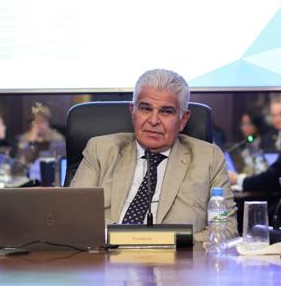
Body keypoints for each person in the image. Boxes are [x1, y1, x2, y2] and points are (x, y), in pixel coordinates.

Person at [72, 68, 230, 230]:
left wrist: (175, 240)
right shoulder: (100, 150)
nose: (154, 121)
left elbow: (226, 230)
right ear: (133, 112)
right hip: (106, 245)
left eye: (166, 111)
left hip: (178, 247)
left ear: (183, 119)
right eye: (146, 109)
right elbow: (73, 217)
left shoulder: (209, 158)